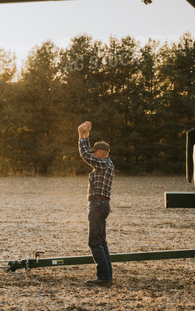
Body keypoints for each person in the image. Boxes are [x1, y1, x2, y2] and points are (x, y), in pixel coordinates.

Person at [78, 121, 114, 287]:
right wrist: (86, 135)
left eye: (95, 152)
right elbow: (88, 156)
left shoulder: (104, 164)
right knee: (101, 241)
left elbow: (85, 155)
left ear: (101, 152)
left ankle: (104, 277)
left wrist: (81, 136)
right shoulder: (107, 165)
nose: (93, 155)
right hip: (102, 204)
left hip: (97, 204)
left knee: (94, 241)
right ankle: (106, 276)